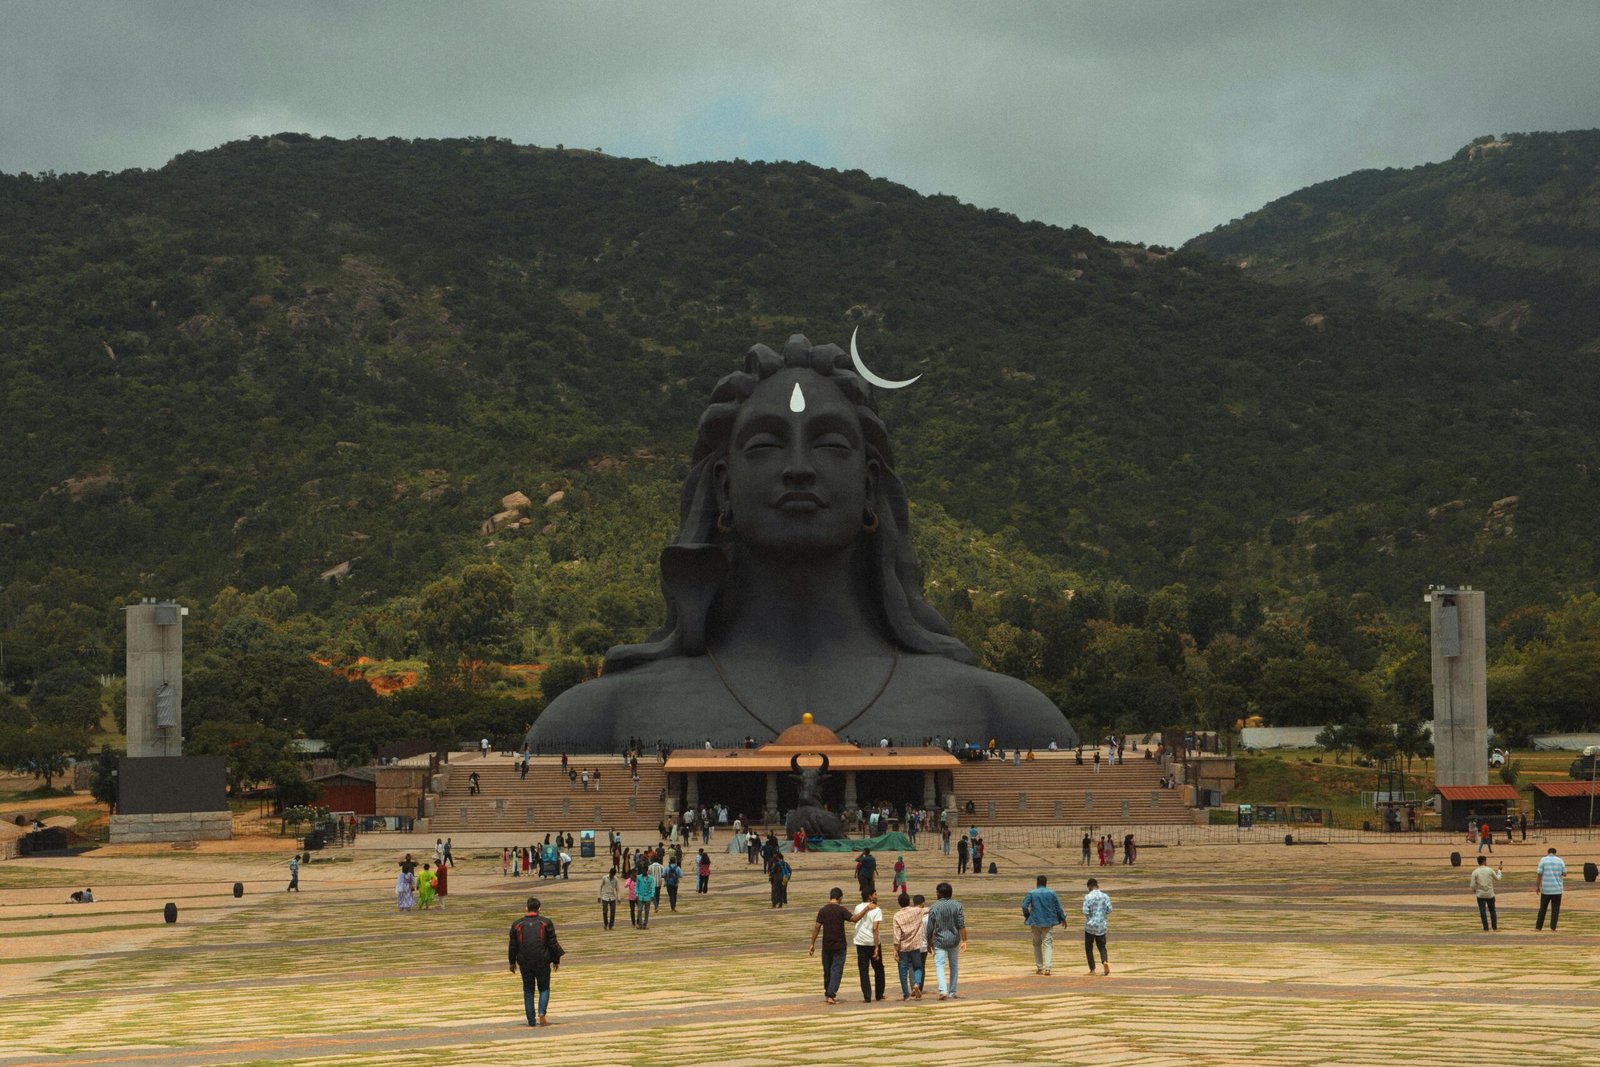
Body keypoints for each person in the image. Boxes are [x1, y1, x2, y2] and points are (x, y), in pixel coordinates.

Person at [525, 334, 1078, 751]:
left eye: (830, 445)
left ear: (870, 486)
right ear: (723, 486)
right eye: (765, 445)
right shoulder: (599, 719)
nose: (797, 468)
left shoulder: (1002, 713)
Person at [508, 896, 564, 1027]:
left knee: (528, 990)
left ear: (526, 908)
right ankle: (541, 1013)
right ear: (539, 909)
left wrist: (512, 962)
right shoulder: (546, 923)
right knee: (544, 988)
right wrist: (556, 960)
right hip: (543, 961)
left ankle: (531, 1021)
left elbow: (512, 946)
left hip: (524, 962)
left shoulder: (517, 924)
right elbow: (553, 944)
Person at [809, 887, 853, 1005]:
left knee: (827, 970)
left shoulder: (823, 910)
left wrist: (812, 943)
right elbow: (853, 919)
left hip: (826, 945)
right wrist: (866, 910)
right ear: (840, 898)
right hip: (839, 945)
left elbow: (817, 927)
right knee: (836, 970)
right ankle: (830, 994)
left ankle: (827, 992)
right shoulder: (842, 910)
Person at [926, 881, 967, 1000]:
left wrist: (929, 941)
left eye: (937, 892)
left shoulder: (934, 907)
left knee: (939, 965)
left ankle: (943, 990)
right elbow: (961, 924)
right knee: (954, 965)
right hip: (954, 939)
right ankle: (952, 991)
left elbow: (930, 926)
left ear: (940, 893)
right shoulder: (957, 905)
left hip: (940, 940)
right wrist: (965, 940)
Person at [1022, 874, 1068, 975]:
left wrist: (1028, 916)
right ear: (1046, 883)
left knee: (1037, 944)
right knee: (1048, 944)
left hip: (1035, 922)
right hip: (1048, 922)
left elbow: (1024, 906)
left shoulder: (1032, 893)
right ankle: (1048, 968)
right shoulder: (1052, 893)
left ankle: (1039, 968)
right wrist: (1063, 918)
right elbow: (1058, 907)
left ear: (1037, 883)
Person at [851, 888, 886, 1002]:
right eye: (875, 894)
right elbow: (875, 928)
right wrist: (876, 947)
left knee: (863, 970)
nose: (877, 896)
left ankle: (867, 996)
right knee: (878, 969)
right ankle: (879, 994)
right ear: (870, 896)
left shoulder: (858, 907)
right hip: (872, 942)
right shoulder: (877, 910)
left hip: (860, 941)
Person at [893, 891, 929, 999]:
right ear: (909, 901)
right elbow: (929, 909)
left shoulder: (897, 915)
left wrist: (895, 949)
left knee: (903, 971)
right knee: (918, 967)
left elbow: (896, 935)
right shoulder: (917, 911)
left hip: (903, 947)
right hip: (915, 946)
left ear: (899, 903)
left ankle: (906, 994)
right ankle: (916, 984)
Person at [1083, 877, 1112, 976]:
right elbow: (1109, 909)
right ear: (1097, 886)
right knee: (1102, 946)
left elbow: (1085, 911)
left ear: (1089, 887)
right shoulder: (1105, 896)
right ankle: (1104, 961)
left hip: (1090, 926)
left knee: (1088, 948)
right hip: (1101, 925)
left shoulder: (1088, 897)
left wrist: (1090, 917)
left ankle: (1092, 969)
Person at [1535, 847, 1567, 931]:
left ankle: (1538, 927)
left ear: (1548, 852)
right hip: (1557, 889)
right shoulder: (1560, 860)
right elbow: (1564, 873)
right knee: (1555, 909)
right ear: (1555, 853)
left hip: (1546, 889)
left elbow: (1539, 874)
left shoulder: (1543, 860)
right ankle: (1553, 928)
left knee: (1543, 908)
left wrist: (1538, 886)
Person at [1470, 855, 1503, 931]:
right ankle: (1494, 927)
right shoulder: (1489, 870)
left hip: (1480, 894)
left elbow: (1472, 885)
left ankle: (1485, 928)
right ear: (1484, 861)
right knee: (1492, 910)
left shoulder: (1475, 872)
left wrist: (1475, 890)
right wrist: (1499, 870)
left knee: (1482, 911)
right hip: (1490, 894)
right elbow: (1498, 878)